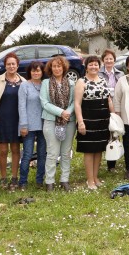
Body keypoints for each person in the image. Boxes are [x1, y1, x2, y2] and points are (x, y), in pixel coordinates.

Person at [75, 56, 114, 190]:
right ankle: (90, 180)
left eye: (96, 65)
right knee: (89, 150)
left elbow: (109, 100)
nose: (93, 67)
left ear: (99, 66)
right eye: (91, 64)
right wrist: (80, 122)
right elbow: (77, 103)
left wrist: (113, 117)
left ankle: (96, 177)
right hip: (88, 120)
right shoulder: (81, 81)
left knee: (99, 150)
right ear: (86, 67)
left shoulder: (103, 80)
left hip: (103, 120)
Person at [0, 53, 25, 190]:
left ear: (17, 65)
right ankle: (3, 178)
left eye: (13, 64)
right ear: (5, 65)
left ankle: (14, 178)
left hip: (17, 121)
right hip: (1, 120)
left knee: (16, 149)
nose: (11, 66)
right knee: (3, 151)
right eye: (8, 64)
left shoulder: (24, 82)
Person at [40, 56, 76, 192]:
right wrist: (61, 112)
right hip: (51, 121)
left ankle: (64, 180)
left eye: (59, 66)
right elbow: (44, 103)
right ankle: (49, 182)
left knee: (66, 153)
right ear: (50, 68)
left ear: (64, 68)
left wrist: (68, 112)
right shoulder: (45, 83)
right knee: (52, 153)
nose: (56, 68)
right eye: (54, 66)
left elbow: (74, 101)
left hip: (69, 122)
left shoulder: (71, 83)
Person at [18, 61, 46, 190]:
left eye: (38, 70)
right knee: (27, 154)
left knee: (42, 154)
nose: (36, 73)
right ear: (30, 72)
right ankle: (22, 181)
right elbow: (21, 106)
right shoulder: (24, 86)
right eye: (34, 71)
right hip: (28, 126)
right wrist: (23, 125)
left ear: (42, 72)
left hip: (44, 125)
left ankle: (39, 180)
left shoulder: (45, 85)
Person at [99, 49, 124, 172]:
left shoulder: (120, 74)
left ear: (114, 60)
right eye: (106, 58)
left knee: (114, 134)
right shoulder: (98, 74)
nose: (109, 61)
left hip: (117, 107)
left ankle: (111, 164)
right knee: (103, 134)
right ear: (103, 60)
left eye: (111, 58)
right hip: (102, 107)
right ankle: (97, 161)